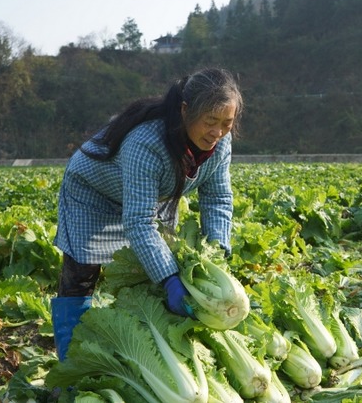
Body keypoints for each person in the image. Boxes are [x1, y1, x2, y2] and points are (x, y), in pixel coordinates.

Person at [50, 67, 243, 360]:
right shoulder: (147, 142)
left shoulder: (220, 144)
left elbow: (217, 197)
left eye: (227, 123)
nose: (217, 132)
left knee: (154, 273)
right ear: (184, 111)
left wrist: (216, 254)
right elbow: (139, 222)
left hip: (155, 197)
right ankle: (72, 367)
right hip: (93, 195)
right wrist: (170, 280)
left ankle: (142, 354)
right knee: (82, 277)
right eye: (210, 121)